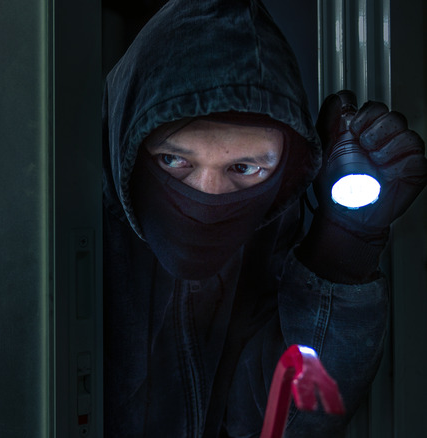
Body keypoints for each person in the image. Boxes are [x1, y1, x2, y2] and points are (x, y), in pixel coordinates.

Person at [101, 0, 427, 437]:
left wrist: (346, 242)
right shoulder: (57, 231)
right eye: (173, 160)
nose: (208, 197)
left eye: (245, 168)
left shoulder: (270, 232)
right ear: (128, 146)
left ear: (286, 171)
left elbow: (284, 419)